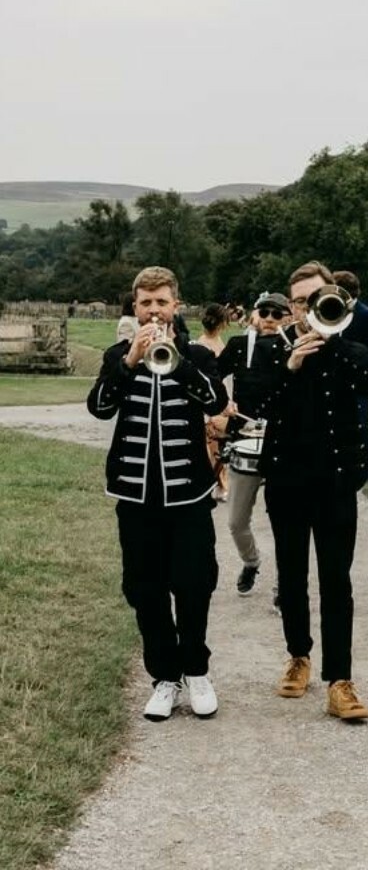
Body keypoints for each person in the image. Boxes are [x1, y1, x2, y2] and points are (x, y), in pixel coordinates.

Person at [87, 266, 228, 722]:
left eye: (161, 302)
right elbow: (99, 408)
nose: (153, 310)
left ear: (175, 306)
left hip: (188, 498)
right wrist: (129, 362)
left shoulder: (197, 355)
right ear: (135, 306)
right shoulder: (117, 355)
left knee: (194, 584)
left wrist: (180, 362)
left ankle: (197, 670)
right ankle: (165, 678)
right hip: (135, 498)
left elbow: (215, 402)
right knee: (144, 590)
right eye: (145, 302)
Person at [255, 260, 368, 720]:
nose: (307, 308)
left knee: (336, 580)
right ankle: (298, 655)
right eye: (299, 301)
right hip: (286, 480)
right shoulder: (271, 350)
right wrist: (291, 364)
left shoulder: (351, 349)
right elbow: (256, 403)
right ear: (291, 307)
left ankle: (340, 681)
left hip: (335, 482)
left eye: (316, 299)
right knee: (291, 576)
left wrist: (333, 341)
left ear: (333, 298)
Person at [216, 292, 291, 600]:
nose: (270, 318)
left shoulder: (294, 347)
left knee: (286, 523)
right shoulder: (238, 345)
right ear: (254, 314)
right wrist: (223, 402)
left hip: (285, 444)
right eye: (265, 312)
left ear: (288, 317)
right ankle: (251, 562)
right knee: (236, 522)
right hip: (245, 439)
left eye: (278, 313)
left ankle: (285, 583)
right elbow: (213, 375)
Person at [333, 270, 368, 495]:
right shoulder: (331, 311)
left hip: (357, 383)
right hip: (333, 380)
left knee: (361, 426)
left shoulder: (366, 315)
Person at [197, 303, 231, 503]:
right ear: (222, 323)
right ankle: (217, 483)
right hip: (211, 400)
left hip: (223, 397)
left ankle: (220, 483)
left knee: (221, 444)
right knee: (213, 445)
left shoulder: (217, 341)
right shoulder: (202, 345)